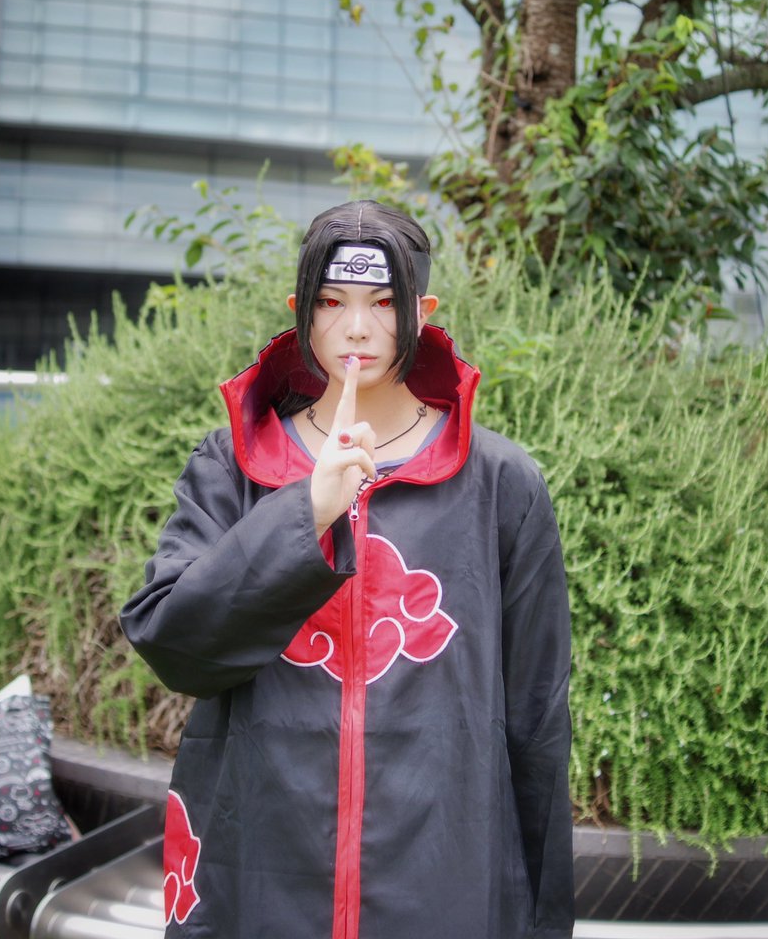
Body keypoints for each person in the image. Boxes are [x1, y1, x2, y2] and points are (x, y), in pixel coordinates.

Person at [120, 200, 574, 939]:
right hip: (258, 869)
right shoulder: (234, 464)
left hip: (443, 881)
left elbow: (537, 719)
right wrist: (306, 511)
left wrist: (542, 921)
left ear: (422, 312)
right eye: (331, 302)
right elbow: (173, 642)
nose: (356, 328)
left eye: (383, 303)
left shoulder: (499, 482)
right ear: (299, 311)